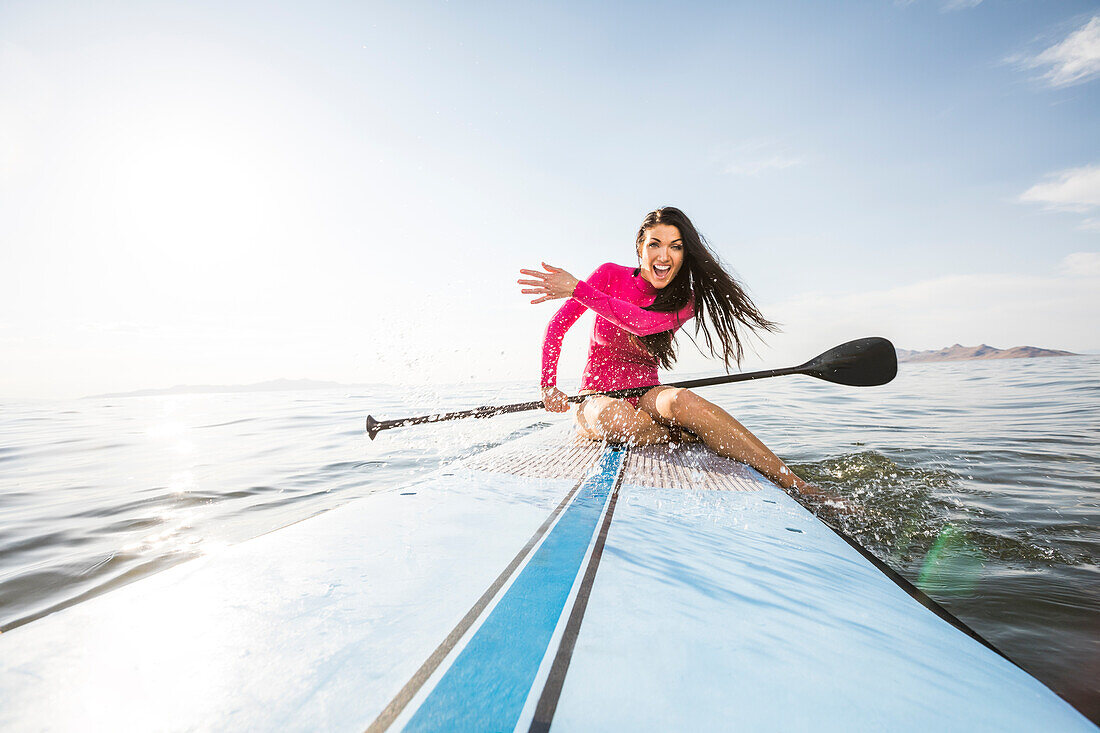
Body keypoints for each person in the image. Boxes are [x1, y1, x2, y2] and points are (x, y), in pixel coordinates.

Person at [517, 206, 813, 493]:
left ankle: (797, 484)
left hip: (648, 394)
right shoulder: (608, 275)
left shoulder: (686, 301)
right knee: (615, 419)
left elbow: (641, 324)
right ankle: (679, 432)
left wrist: (578, 288)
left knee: (685, 401)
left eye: (675, 246)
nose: (663, 255)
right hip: (599, 395)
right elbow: (557, 326)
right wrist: (548, 386)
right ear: (640, 248)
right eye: (654, 244)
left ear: (684, 254)